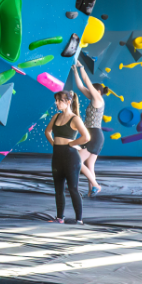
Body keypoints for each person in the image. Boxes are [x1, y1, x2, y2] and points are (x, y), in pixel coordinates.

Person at [45, 90, 90, 224]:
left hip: (70, 157)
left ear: (68, 102)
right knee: (58, 188)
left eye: (59, 100)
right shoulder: (56, 116)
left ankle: (79, 219)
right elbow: (47, 131)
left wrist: (71, 143)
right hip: (57, 156)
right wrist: (54, 144)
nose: (56, 103)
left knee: (72, 188)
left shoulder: (75, 118)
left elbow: (86, 137)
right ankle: (60, 217)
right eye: (56, 100)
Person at [72, 62, 107, 196]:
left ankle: (97, 186)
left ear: (97, 91)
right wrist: (75, 71)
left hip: (94, 135)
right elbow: (81, 86)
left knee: (77, 160)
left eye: (92, 89)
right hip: (93, 134)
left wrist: (81, 66)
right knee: (90, 165)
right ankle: (90, 190)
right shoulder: (93, 99)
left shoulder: (98, 99)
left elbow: (86, 81)